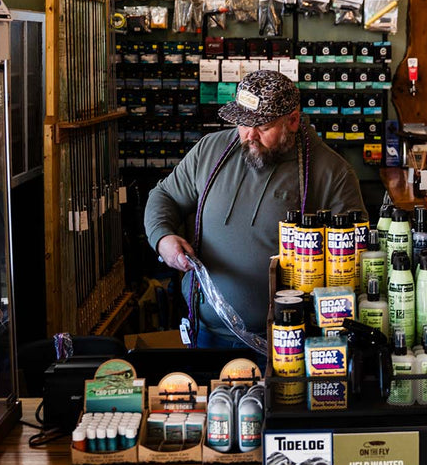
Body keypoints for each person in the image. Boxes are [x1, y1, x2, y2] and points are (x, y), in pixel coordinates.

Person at [145, 70, 365, 347]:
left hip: (286, 341)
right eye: (242, 123)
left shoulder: (332, 173)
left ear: (293, 121)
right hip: (207, 333)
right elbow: (164, 195)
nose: (249, 135)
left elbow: (353, 263)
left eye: (262, 127)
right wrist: (162, 238)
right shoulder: (209, 151)